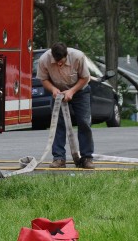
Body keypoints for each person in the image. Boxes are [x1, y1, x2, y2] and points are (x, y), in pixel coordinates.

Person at [36, 42, 95, 170]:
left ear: (66, 55)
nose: (59, 65)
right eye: (56, 63)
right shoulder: (44, 60)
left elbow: (85, 78)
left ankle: (87, 158)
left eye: (61, 62)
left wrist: (72, 91)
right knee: (57, 123)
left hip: (80, 91)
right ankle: (59, 158)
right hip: (58, 93)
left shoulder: (78, 57)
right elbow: (44, 79)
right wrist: (53, 89)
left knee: (84, 122)